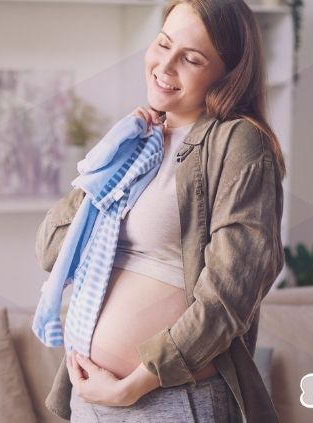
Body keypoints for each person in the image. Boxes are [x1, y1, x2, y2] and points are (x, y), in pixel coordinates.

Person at [34, 0, 288, 421]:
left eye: (190, 58)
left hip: (169, 398)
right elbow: (52, 250)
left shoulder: (238, 143)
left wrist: (138, 382)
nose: (165, 66)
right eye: (163, 44)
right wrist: (108, 158)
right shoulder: (138, 140)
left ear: (230, 72)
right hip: (91, 397)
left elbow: (231, 292)